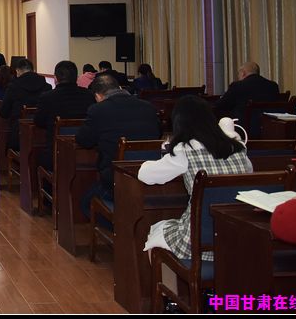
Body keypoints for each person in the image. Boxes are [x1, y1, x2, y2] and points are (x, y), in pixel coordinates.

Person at [139, 96, 252, 261]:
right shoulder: (238, 147)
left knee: (156, 232)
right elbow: (249, 172)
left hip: (197, 239)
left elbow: (145, 175)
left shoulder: (185, 150)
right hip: (238, 236)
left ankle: (175, 278)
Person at [76, 72, 160, 219]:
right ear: (119, 87)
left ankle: (121, 226)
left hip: (115, 180)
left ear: (98, 96)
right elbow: (158, 134)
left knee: (86, 204)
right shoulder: (148, 107)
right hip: (151, 176)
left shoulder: (98, 110)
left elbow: (83, 140)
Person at [34, 61, 96, 171]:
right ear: (76, 78)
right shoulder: (89, 95)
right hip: (87, 154)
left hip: (56, 155)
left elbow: (39, 121)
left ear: (55, 78)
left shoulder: (47, 97)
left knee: (38, 157)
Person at [0, 58, 52, 150]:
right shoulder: (47, 87)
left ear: (18, 71)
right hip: (43, 135)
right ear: (33, 70)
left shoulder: (13, 87)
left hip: (19, 137)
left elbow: (3, 112)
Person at [214, 61, 281, 120]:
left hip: (242, 127)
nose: (238, 76)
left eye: (238, 74)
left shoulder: (237, 86)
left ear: (243, 73)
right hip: (268, 126)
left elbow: (221, 105)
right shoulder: (273, 86)